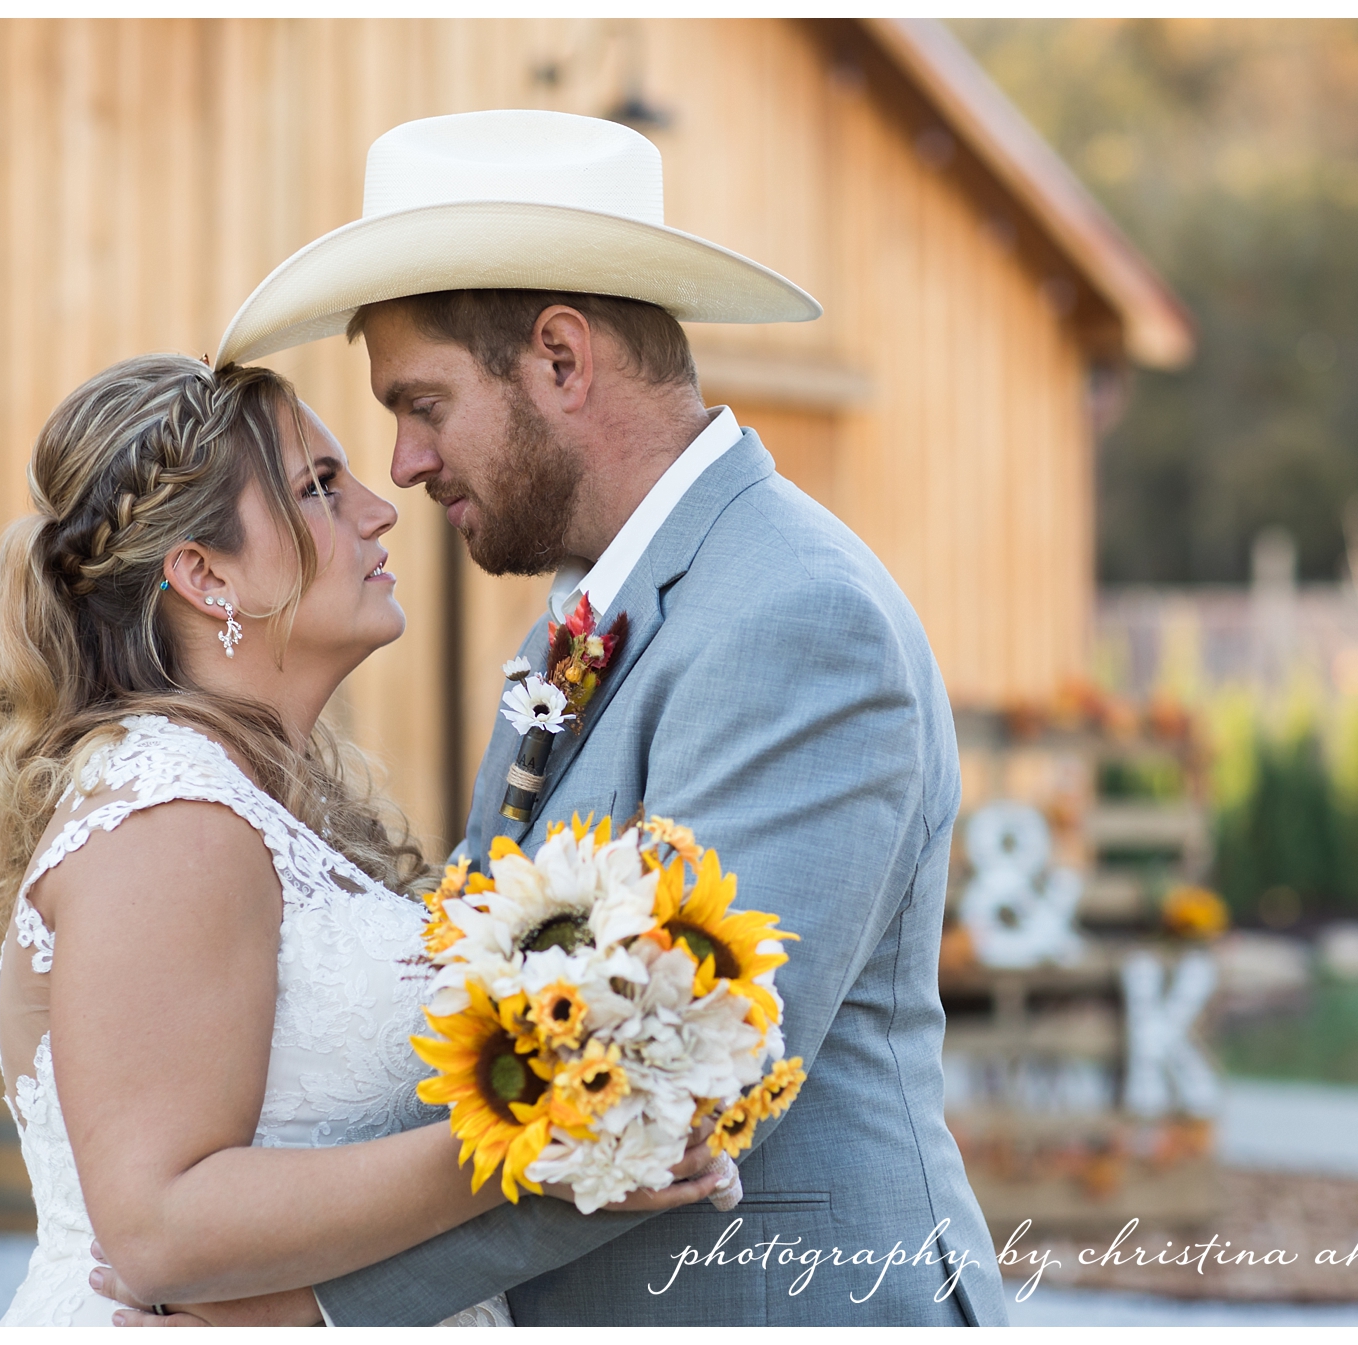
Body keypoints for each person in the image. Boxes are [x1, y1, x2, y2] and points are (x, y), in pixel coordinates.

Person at [105, 109, 1009, 1326]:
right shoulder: (584, 618)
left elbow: (663, 1086)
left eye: (421, 404)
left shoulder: (795, 618)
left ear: (561, 361)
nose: (403, 466)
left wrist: (304, 1306)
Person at [0, 353, 732, 1328]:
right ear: (204, 572)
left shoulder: (257, 798)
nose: (378, 507)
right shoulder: (172, 817)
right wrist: (525, 1132)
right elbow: (157, 1228)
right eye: (317, 487)